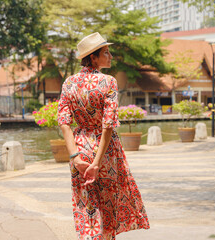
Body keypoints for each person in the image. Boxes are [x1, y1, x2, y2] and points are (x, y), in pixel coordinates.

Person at [57, 32, 150, 240]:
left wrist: (76, 158)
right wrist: (97, 163)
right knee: (108, 207)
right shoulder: (108, 82)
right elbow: (107, 126)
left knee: (86, 207)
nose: (111, 56)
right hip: (104, 150)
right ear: (93, 57)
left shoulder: (68, 83)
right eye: (106, 53)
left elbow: (64, 123)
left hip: (79, 147)